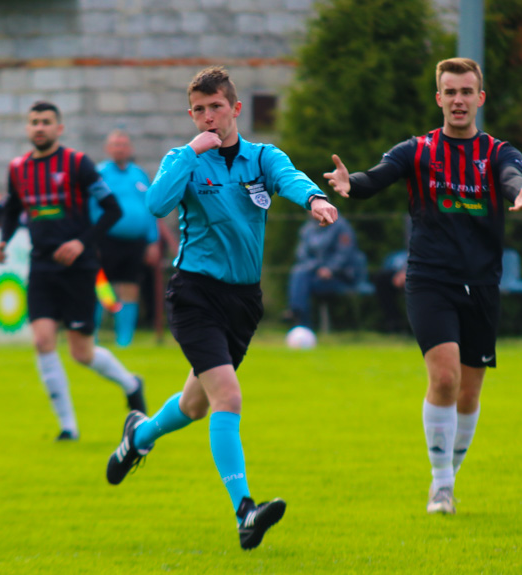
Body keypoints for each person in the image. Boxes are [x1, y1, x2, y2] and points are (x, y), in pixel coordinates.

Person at [105, 66, 338, 550]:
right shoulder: (182, 158)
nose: (208, 117)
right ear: (190, 115)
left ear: (234, 109)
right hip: (194, 294)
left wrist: (314, 198)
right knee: (226, 396)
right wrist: (191, 154)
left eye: (216, 107)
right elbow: (156, 204)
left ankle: (139, 435)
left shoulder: (261, 157)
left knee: (194, 404)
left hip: (243, 302)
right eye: (199, 110)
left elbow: (289, 178)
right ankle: (245, 512)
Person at [323, 57, 522, 515]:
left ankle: (448, 476)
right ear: (438, 97)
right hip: (429, 279)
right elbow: (374, 178)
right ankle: (440, 487)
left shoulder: (500, 152)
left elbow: (510, 177)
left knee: (469, 393)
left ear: (479, 98)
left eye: (466, 92)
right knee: (444, 377)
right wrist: (350, 183)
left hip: (481, 284)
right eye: (450, 91)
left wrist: (518, 191)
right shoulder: (417, 150)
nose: (458, 100)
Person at [0, 101, 147, 441]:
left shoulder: (78, 164)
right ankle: (68, 427)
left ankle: (131, 384)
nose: (39, 127)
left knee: (82, 353)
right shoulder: (18, 168)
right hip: (42, 265)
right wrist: (3, 241)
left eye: (46, 122)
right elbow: (12, 209)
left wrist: (81, 242)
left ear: (59, 128)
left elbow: (111, 209)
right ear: (28, 128)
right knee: (43, 340)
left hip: (79, 267)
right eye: (34, 122)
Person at [91, 129, 161, 347]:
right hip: (107, 240)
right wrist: (92, 239)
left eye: (123, 144)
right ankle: (92, 336)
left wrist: (153, 241)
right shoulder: (100, 174)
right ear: (108, 149)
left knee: (130, 288)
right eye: (115, 144)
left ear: (129, 149)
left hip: (135, 242)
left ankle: (124, 340)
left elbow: (150, 209)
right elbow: (91, 207)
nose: (120, 148)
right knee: (102, 287)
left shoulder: (139, 174)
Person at [285, 214, 367, 329]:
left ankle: (300, 319)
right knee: (300, 274)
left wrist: (330, 269)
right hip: (315, 275)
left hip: (340, 277)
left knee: (302, 282)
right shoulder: (308, 228)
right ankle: (301, 320)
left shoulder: (341, 226)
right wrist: (317, 267)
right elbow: (301, 254)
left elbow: (345, 253)